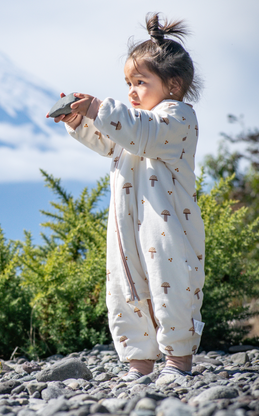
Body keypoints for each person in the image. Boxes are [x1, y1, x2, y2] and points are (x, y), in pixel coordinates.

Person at [47, 12, 205, 383]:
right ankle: (139, 364)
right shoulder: (134, 121)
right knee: (126, 291)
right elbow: (112, 142)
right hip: (127, 231)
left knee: (174, 290)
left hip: (168, 231)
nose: (131, 91)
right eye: (127, 83)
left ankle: (178, 363)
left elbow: (141, 134)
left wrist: (98, 108)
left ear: (173, 84)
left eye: (140, 81)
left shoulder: (177, 118)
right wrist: (81, 122)